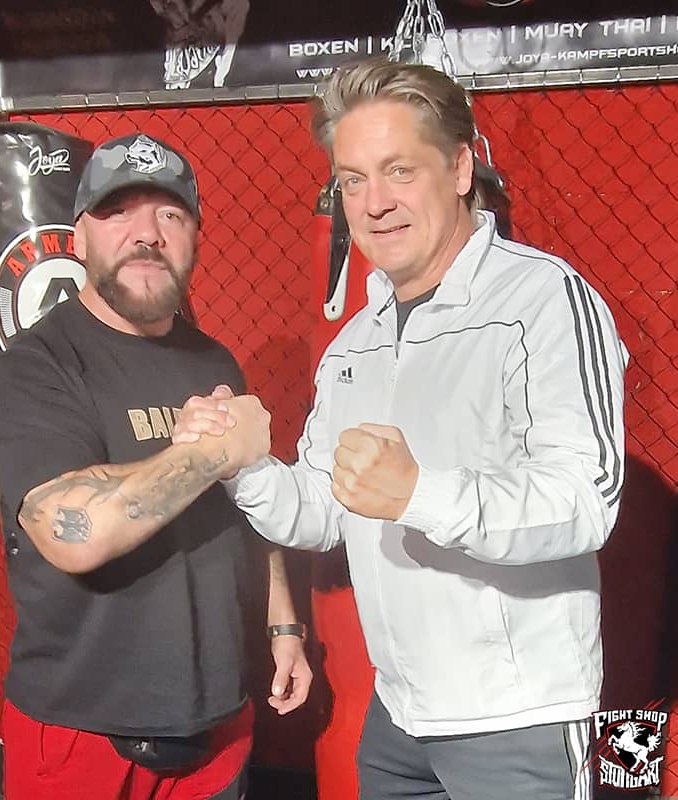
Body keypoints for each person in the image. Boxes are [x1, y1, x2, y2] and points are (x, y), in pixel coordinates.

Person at [174, 60, 628, 800]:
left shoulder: (544, 300)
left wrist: (419, 494)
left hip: (517, 718)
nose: (375, 203)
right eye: (353, 180)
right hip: (398, 715)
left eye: (398, 171)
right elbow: (321, 513)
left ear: (459, 169)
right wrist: (242, 465)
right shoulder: (356, 342)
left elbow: (587, 500)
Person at [0, 132, 312, 800]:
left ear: (194, 238)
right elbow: (72, 531)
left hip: (216, 716)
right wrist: (207, 452)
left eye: (169, 214)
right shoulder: (38, 365)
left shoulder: (214, 361)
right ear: (79, 238)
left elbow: (249, 507)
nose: (147, 234)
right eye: (118, 212)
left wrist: (284, 625)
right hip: (83, 729)